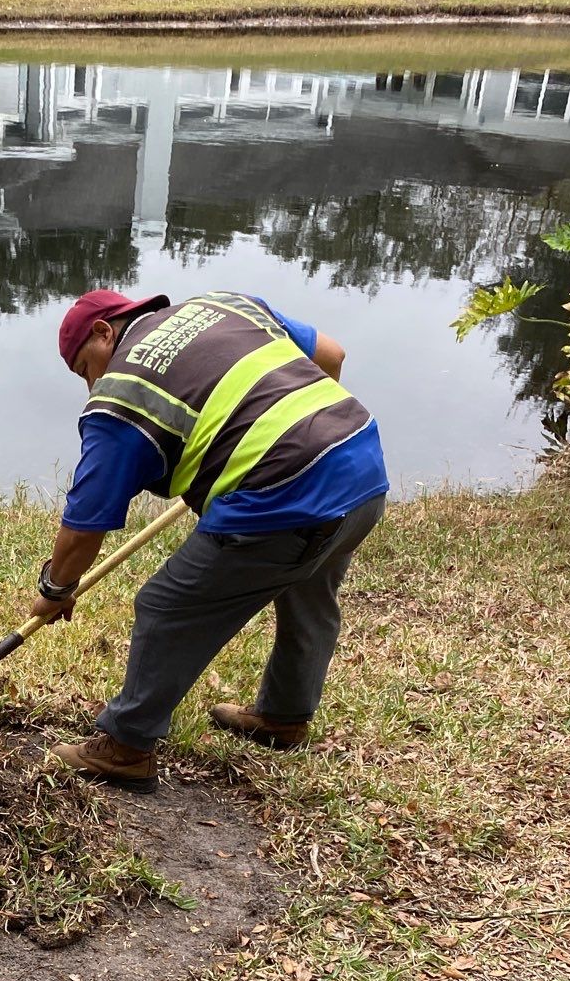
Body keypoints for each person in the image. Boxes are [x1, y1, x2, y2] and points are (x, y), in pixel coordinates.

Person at [34, 289, 388, 784]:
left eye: (84, 368)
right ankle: (284, 716)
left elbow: (84, 525)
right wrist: (298, 437)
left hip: (284, 497)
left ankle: (125, 746)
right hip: (359, 463)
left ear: (103, 332)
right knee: (308, 588)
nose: (91, 383)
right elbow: (332, 355)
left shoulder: (120, 396)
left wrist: (55, 588)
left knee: (165, 606)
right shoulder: (223, 305)